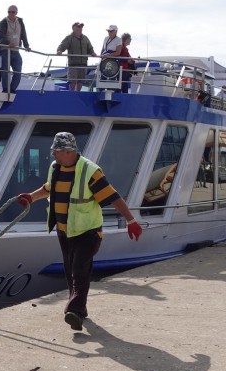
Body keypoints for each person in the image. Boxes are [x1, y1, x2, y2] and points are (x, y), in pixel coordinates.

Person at [14, 132, 143, 331]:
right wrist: (31, 197)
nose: (53, 155)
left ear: (68, 151)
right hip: (65, 230)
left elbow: (113, 196)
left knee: (79, 269)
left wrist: (131, 220)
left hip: (88, 231)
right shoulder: (55, 168)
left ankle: (73, 310)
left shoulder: (90, 171)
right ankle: (79, 309)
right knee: (69, 269)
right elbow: (49, 188)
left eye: (56, 151)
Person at [0, 5, 30, 93]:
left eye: (13, 12)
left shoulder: (20, 21)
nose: (11, 14)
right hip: (5, 50)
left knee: (18, 72)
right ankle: (5, 89)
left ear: (16, 13)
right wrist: (8, 43)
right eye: (9, 12)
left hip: (16, 51)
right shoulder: (3, 22)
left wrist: (26, 46)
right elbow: (0, 36)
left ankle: (12, 89)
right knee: (5, 71)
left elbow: (23, 34)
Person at [56, 22, 96, 91]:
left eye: (81, 27)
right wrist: (59, 51)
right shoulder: (69, 38)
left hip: (83, 64)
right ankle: (72, 95)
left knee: (81, 82)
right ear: (73, 28)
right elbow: (62, 45)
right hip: (73, 64)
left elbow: (90, 47)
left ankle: (78, 94)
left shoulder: (85, 38)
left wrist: (92, 53)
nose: (80, 28)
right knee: (72, 82)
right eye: (78, 27)